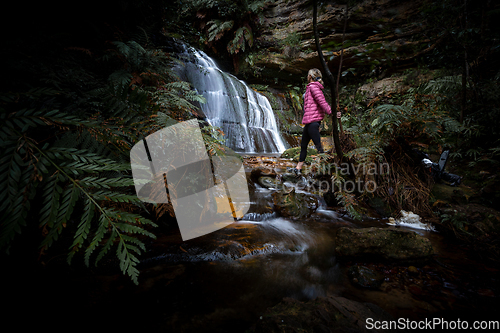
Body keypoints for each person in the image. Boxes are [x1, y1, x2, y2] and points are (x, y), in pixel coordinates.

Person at [290, 68, 340, 175]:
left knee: (319, 148)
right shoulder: (310, 88)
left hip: (313, 122)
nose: (307, 77)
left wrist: (333, 113)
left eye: (308, 75)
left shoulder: (314, 88)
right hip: (309, 122)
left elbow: (322, 102)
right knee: (303, 145)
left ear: (310, 77)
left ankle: (330, 169)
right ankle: (298, 168)